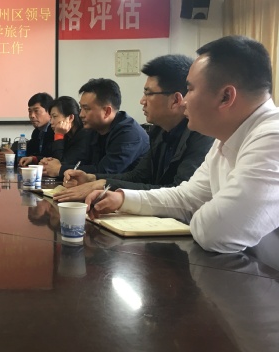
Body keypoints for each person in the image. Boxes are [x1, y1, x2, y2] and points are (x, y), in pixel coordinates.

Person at [86, 35, 279, 254]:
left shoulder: (273, 139)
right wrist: (122, 199)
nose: (184, 100)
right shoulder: (225, 138)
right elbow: (187, 197)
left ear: (226, 97)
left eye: (191, 89)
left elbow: (215, 232)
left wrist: (196, 212)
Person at [55, 54, 214, 201]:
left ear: (175, 100)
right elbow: (138, 176)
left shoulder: (202, 135)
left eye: (148, 93)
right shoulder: (159, 131)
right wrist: (93, 179)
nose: (142, 101)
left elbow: (178, 194)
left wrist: (104, 185)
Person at [67, 78, 149, 176]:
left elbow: (104, 172)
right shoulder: (93, 128)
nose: (81, 114)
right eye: (81, 108)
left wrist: (60, 169)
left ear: (107, 111)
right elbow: (77, 161)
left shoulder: (129, 134)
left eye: (86, 109)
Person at [0, 92, 55, 166]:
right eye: (30, 111)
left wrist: (14, 157)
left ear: (50, 112)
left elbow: (50, 157)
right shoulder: (37, 132)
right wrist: (7, 156)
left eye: (36, 111)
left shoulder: (55, 131)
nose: (32, 115)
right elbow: (28, 153)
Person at [38, 96, 90, 178]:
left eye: (55, 116)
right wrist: (42, 160)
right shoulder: (65, 133)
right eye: (50, 117)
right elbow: (52, 158)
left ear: (70, 117)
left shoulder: (84, 135)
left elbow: (60, 165)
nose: (51, 122)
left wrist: (59, 135)